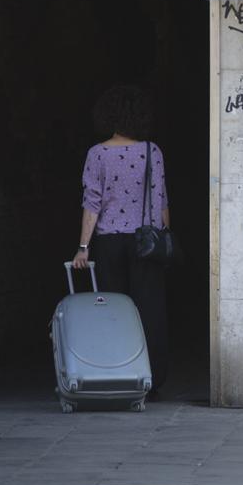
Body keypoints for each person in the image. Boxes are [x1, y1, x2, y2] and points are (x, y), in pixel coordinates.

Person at [72, 85, 170, 394]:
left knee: (113, 309)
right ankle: (153, 380)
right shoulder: (152, 151)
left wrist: (83, 247)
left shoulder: (97, 153)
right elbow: (161, 200)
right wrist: (164, 241)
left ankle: (116, 373)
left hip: (110, 241)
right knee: (150, 311)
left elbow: (92, 203)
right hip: (145, 242)